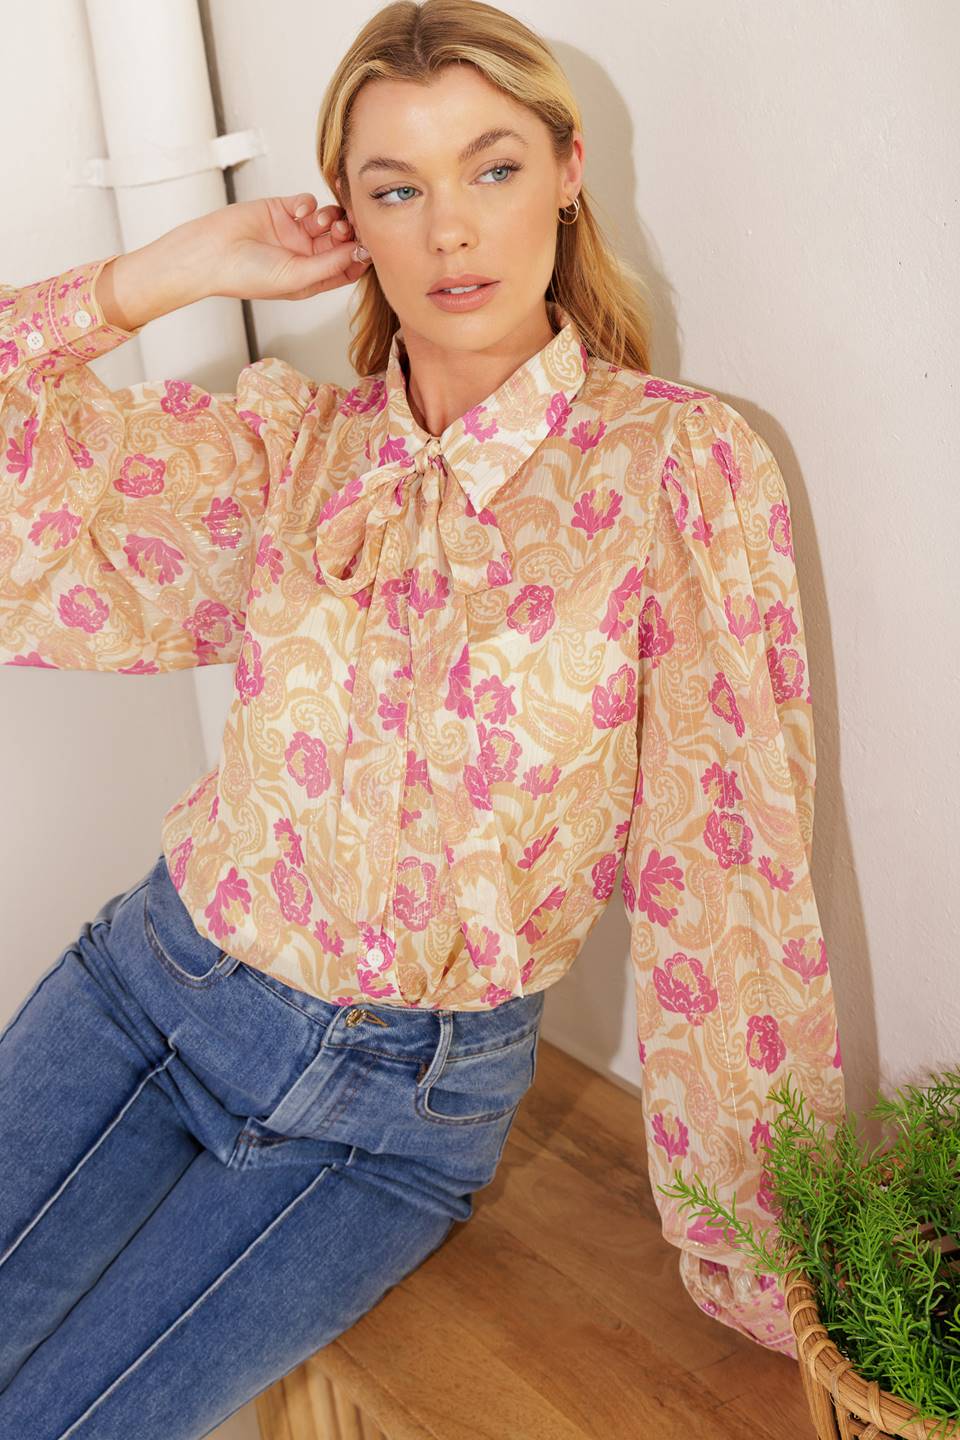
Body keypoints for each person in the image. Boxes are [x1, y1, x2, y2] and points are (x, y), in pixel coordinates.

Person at [0, 0, 845, 1434]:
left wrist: (769, 1258)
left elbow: (729, 871)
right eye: (397, 189)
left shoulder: (678, 468)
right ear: (352, 220)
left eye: (493, 167)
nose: (452, 230)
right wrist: (169, 270)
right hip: (146, 993)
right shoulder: (288, 451)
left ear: (568, 171)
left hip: (386, 1116)